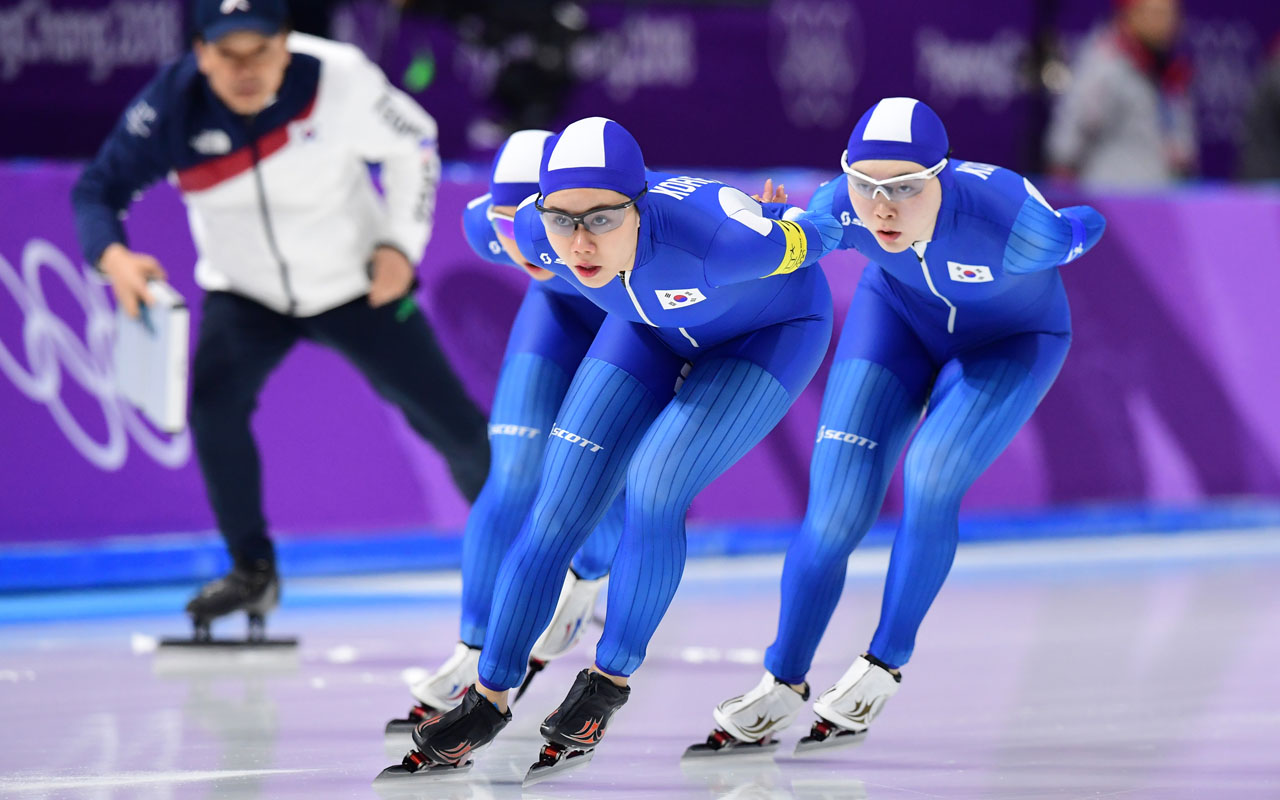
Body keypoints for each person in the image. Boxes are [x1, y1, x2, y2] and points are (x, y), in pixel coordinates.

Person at [382, 116, 842, 781]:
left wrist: (782, 221)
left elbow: (830, 229)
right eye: (562, 221)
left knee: (655, 482)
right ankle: (487, 697)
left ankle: (605, 684)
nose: (579, 242)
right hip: (646, 331)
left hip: (765, 337)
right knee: (554, 507)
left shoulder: (721, 241)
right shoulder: (530, 231)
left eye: (602, 219)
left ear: (639, 206)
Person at [700, 97, 1107, 756]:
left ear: (939, 178)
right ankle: (781, 681)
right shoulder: (839, 205)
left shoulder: (1011, 219)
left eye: (905, 188)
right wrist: (771, 234)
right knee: (833, 510)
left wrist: (1072, 224)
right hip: (895, 323)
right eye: (867, 185)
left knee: (931, 473)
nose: (882, 207)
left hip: (1011, 342)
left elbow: (1087, 224)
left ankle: (882, 665)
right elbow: (783, 251)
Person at [71, 0, 489, 638]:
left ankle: (529, 563)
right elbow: (97, 189)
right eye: (227, 53)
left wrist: (400, 245)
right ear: (200, 53)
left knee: (455, 426)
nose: (245, 69)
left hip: (357, 285)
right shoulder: (171, 104)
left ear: (287, 43)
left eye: (260, 51)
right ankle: (252, 571)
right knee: (214, 409)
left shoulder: (339, 77)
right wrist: (113, 258)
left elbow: (415, 142)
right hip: (246, 294)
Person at [387, 130, 624, 730]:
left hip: (629, 323)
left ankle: (587, 579)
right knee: (512, 473)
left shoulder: (613, 218)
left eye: (532, 222)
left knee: (600, 471)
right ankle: (473, 648)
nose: (520, 241)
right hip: (556, 315)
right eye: (503, 223)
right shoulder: (483, 229)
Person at [1045, 0, 1195, 187]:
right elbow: (1070, 134)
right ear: (1129, 14)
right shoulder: (1104, 63)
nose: (1166, 22)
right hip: (1110, 195)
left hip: (1161, 194)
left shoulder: (1169, 67)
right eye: (1156, 13)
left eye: (1170, 14)